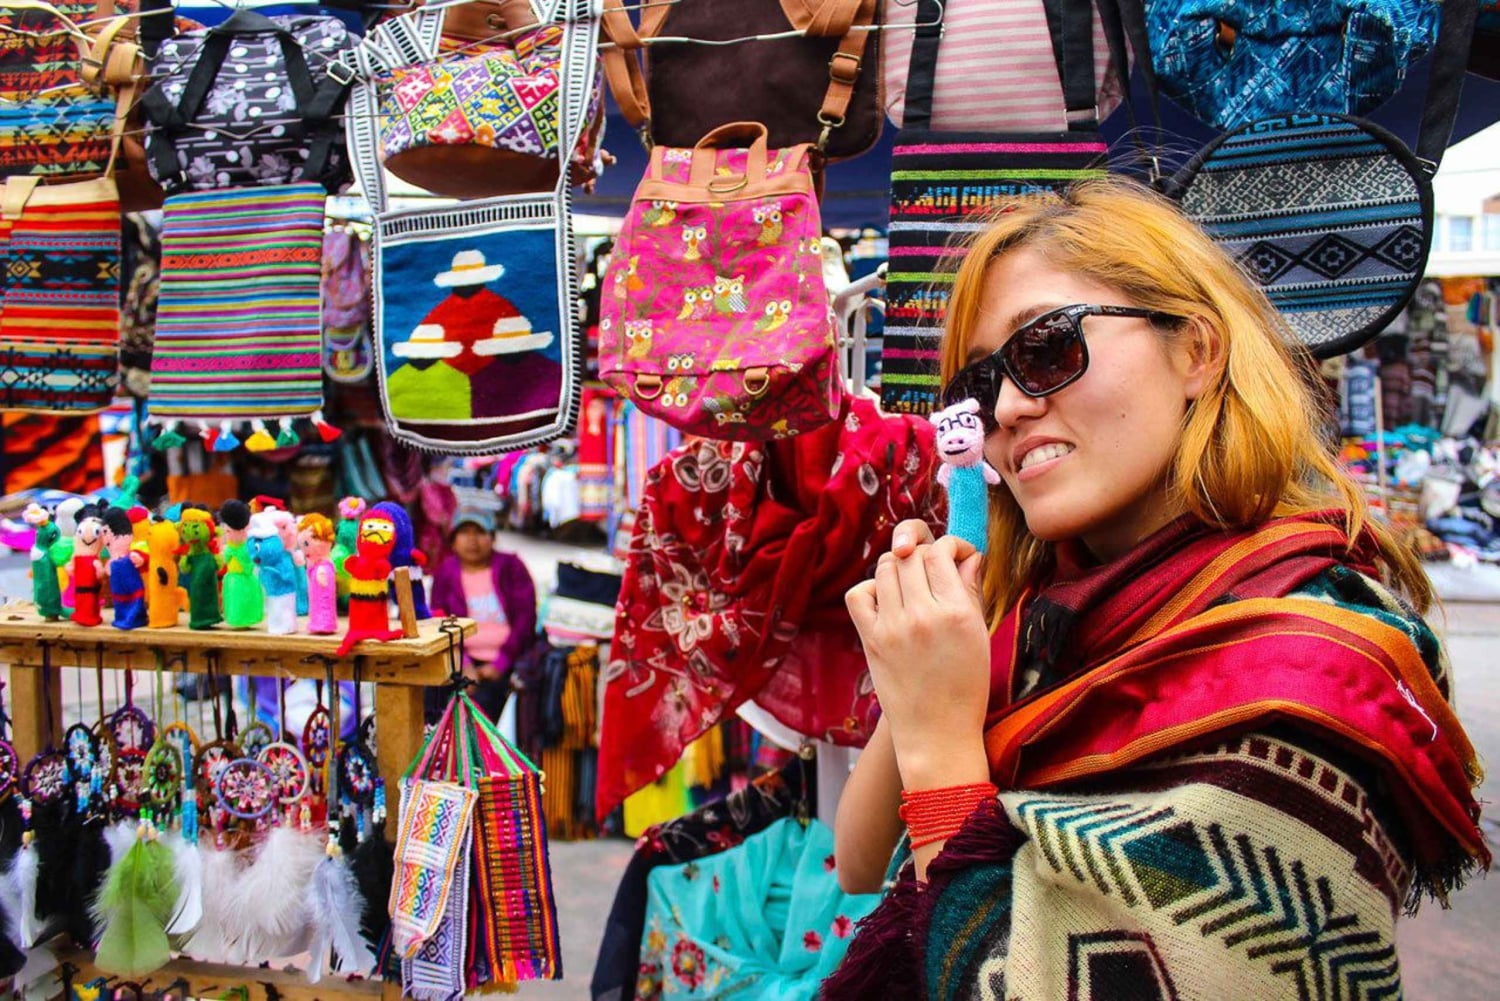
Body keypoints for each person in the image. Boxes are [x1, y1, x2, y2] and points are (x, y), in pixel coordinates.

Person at [824, 178, 1487, 1000]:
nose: (1008, 408)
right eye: (978, 385)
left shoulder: (1306, 664)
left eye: (1046, 347)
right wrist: (927, 679)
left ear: (1197, 350)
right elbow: (859, 862)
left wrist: (940, 743)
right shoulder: (1047, 612)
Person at [428, 505, 538, 721]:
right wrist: (463, 664)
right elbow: (438, 620)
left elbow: (525, 620)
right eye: (464, 533)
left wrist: (501, 663)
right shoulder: (446, 572)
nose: (472, 540)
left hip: (508, 661)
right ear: (453, 541)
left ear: (492, 538)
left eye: (479, 532)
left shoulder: (511, 566)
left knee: (484, 710)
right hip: (461, 661)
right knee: (431, 701)